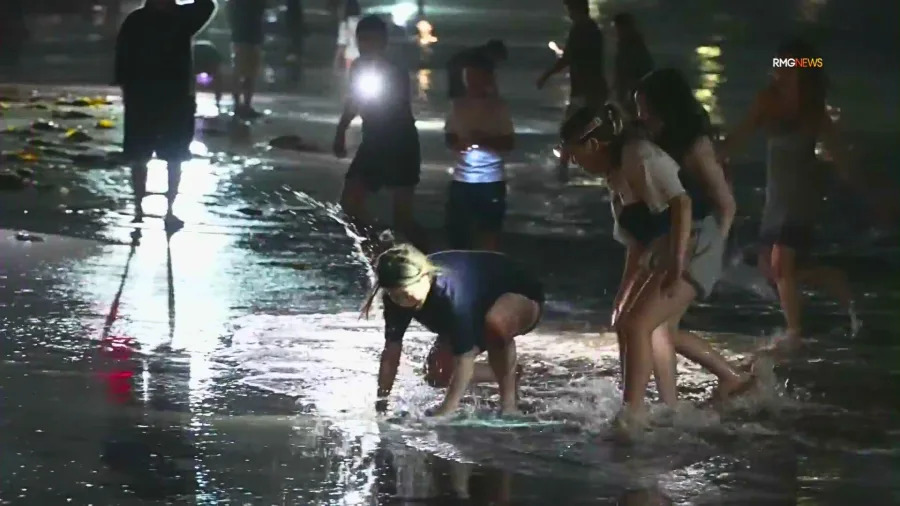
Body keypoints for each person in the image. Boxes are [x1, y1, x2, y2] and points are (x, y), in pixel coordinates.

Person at [611, 68, 753, 408]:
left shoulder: (696, 144)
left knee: (655, 327)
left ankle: (727, 379)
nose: (641, 115)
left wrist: (712, 250)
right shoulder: (656, 144)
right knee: (661, 330)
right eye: (638, 107)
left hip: (700, 240)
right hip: (678, 240)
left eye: (646, 107)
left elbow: (726, 204)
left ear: (666, 106)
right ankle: (681, 400)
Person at [559, 105, 703, 435]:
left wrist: (677, 264)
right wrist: (623, 293)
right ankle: (661, 406)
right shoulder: (614, 176)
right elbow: (636, 243)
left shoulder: (637, 156)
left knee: (639, 324)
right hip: (660, 247)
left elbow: (682, 204)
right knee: (624, 320)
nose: (576, 163)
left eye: (575, 154)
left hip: (692, 240)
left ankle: (632, 411)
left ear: (594, 145)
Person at [719, 38, 858, 346]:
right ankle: (833, 280)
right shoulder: (767, 101)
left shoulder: (814, 109)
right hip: (776, 194)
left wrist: (853, 179)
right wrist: (715, 155)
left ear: (803, 70)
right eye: (779, 64)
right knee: (774, 270)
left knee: (781, 262)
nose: (780, 71)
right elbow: (741, 134)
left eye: (789, 65)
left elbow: (837, 151)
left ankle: (794, 332)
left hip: (801, 196)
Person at [365, 245, 544, 417]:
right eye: (394, 296)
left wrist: (445, 411)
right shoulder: (394, 297)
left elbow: (464, 357)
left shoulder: (451, 294)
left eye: (406, 294)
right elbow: (391, 352)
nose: (402, 302)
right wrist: (381, 404)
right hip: (475, 305)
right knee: (438, 373)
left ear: (425, 277)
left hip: (520, 298)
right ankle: (509, 371)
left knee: (495, 324)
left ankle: (509, 405)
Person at [115, 0, 217, 229]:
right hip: (149, 96)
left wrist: (126, 89)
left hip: (171, 97)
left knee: (173, 155)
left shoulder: (175, 18)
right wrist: (127, 90)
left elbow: (207, 4)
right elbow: (122, 58)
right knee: (144, 155)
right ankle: (139, 207)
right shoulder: (164, 19)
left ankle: (167, 209)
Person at [332, 15, 428, 251]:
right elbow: (353, 101)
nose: (366, 46)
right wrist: (341, 130)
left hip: (400, 143)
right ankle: (380, 244)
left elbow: (397, 106)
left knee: (403, 217)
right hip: (373, 142)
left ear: (383, 42)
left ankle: (431, 256)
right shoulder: (358, 67)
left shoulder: (395, 70)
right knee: (349, 203)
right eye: (362, 41)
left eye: (372, 41)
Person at [443, 55, 515, 251]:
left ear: (489, 79)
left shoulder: (499, 107)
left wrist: (482, 140)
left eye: (476, 78)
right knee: (457, 234)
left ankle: (487, 271)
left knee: (489, 233)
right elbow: (449, 137)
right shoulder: (457, 105)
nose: (471, 83)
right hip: (461, 179)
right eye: (468, 78)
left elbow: (509, 143)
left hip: (491, 180)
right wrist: (457, 143)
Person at [537, 0, 608, 183]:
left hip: (584, 89)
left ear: (575, 9)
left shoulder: (580, 29)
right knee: (594, 126)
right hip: (595, 87)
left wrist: (546, 75)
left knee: (570, 129)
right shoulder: (593, 29)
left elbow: (567, 58)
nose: (568, 13)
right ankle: (599, 165)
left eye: (569, 9)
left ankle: (563, 169)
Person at [228, 0, 266, 118]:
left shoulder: (235, 3)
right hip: (251, 38)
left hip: (239, 37)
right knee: (250, 74)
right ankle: (245, 106)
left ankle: (238, 105)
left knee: (239, 73)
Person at [612, 13, 653, 115]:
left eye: (618, 28)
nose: (617, 32)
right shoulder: (627, 45)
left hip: (633, 93)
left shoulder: (632, 47)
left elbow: (629, 71)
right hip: (630, 93)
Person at [193, 40, 224, 108]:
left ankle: (192, 101)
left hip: (203, 53)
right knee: (217, 78)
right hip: (208, 53)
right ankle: (217, 100)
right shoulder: (211, 52)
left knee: (191, 79)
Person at [334, 0, 361, 73]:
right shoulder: (363, 23)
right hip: (362, 57)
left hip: (349, 58)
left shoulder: (344, 25)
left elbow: (342, 46)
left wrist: (336, 62)